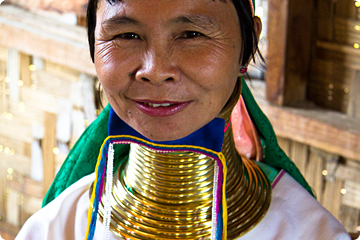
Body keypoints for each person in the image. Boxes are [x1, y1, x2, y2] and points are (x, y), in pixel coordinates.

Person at [16, 0, 351, 239]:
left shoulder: (306, 232)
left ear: (247, 47)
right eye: (126, 35)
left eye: (191, 34)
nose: (155, 70)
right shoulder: (57, 228)